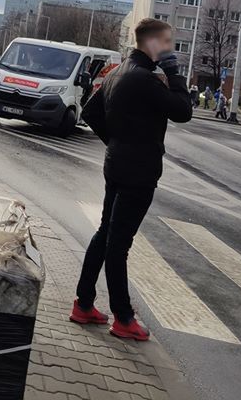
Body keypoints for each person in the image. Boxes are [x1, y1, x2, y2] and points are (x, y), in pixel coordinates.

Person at [69, 18, 192, 340]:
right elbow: (183, 110)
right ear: (153, 44)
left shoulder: (119, 72)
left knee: (105, 232)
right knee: (118, 244)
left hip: (117, 164)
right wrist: (175, 74)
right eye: (166, 43)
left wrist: (117, 141)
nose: (170, 49)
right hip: (139, 170)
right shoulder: (145, 79)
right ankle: (123, 317)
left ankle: (83, 303)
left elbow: (91, 112)